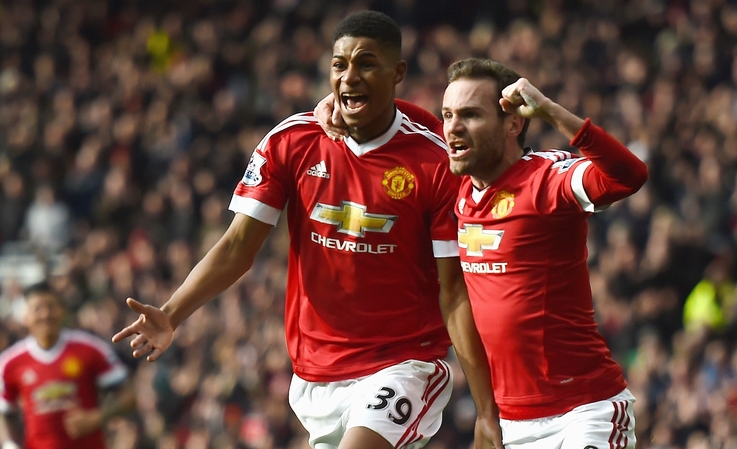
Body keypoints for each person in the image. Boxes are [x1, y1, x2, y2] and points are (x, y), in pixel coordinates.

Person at [113, 11, 502, 449]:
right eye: (339, 65)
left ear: (398, 73)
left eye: (366, 63)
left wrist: (488, 413)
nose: (349, 76)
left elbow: (454, 293)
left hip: (403, 365)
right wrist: (172, 313)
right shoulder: (293, 140)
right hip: (315, 373)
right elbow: (239, 245)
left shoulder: (434, 162)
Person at [315, 57, 649, 448]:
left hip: (585, 412)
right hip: (511, 424)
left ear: (513, 122)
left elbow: (629, 176)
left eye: (470, 115)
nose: (452, 128)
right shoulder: (456, 186)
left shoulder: (547, 179)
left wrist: (551, 111)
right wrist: (340, 100)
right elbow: (397, 118)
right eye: (447, 115)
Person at [0, 282, 135, 449]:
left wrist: (96, 418)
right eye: (38, 309)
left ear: (61, 310)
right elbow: (3, 413)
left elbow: (129, 397)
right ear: (26, 316)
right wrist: (8, 444)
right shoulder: (9, 363)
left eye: (51, 307)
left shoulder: (90, 349)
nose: (45, 314)